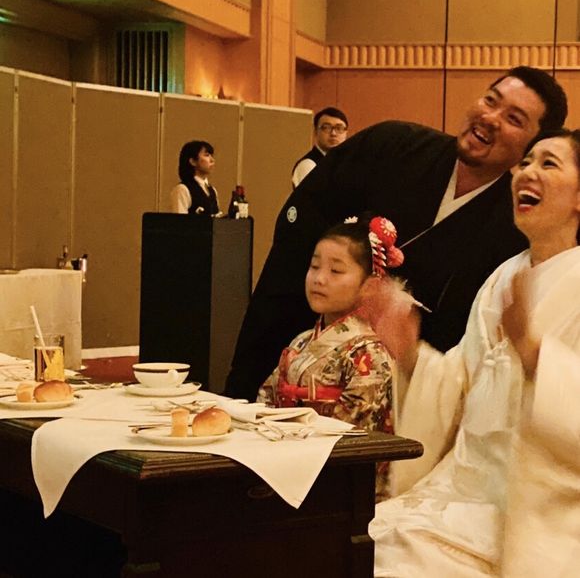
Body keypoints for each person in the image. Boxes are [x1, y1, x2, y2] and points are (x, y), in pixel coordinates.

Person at [225, 66, 568, 401]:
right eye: (491, 100)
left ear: (532, 147)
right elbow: (303, 213)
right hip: (301, 336)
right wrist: (339, 279)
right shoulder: (393, 145)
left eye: (514, 119)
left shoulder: (511, 227)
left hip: (396, 385)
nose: (491, 118)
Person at [369, 129, 580, 577]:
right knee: (357, 545)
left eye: (549, 163)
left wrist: (536, 356)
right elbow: (462, 386)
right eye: (526, 162)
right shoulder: (502, 277)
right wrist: (412, 354)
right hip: (459, 491)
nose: (527, 172)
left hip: (538, 512)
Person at [258, 215, 407, 498]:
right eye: (314, 266)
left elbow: (352, 437)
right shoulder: (301, 341)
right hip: (285, 467)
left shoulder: (370, 353)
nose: (319, 278)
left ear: (369, 286)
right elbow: (266, 399)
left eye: (336, 271)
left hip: (340, 488)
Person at [291, 107, 348, 189]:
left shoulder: (345, 163)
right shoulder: (308, 165)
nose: (333, 133)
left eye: (339, 128)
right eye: (326, 128)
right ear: (315, 132)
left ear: (346, 133)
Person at [170, 140, 222, 216]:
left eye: (212, 156)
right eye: (207, 155)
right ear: (193, 161)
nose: (212, 160)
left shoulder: (213, 190)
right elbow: (180, 220)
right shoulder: (182, 189)